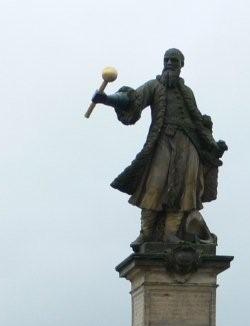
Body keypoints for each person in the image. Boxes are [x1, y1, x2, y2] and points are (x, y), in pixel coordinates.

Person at [91, 48, 228, 247]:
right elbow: (133, 99)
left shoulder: (187, 92)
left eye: (174, 60)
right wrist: (108, 99)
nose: (170, 63)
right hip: (163, 142)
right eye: (167, 59)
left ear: (182, 65)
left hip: (188, 146)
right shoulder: (154, 86)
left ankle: (171, 234)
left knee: (184, 190)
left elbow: (198, 121)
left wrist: (214, 146)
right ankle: (146, 233)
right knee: (154, 186)